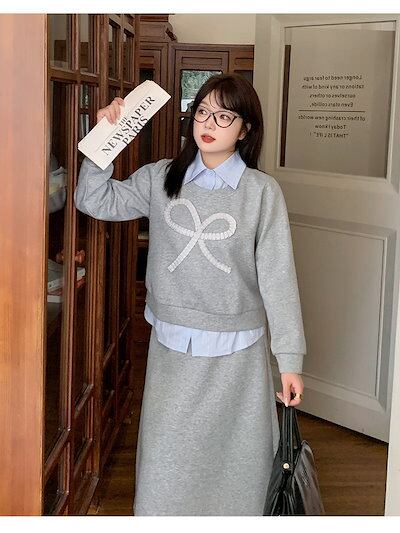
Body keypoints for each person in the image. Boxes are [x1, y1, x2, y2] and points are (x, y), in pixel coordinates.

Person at [74, 73, 306, 516]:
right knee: (165, 468)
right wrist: (105, 138)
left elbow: (279, 278)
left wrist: (290, 360)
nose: (209, 124)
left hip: (239, 356)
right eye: (202, 112)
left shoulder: (261, 193)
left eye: (224, 116)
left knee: (241, 469)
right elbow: (94, 200)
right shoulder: (162, 177)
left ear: (246, 130)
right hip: (172, 350)